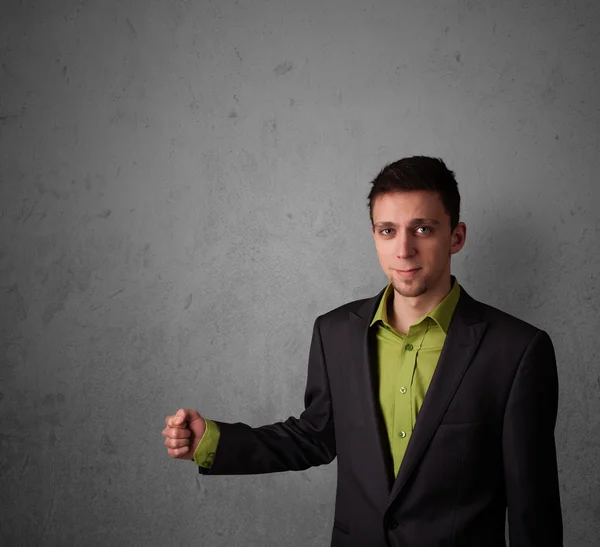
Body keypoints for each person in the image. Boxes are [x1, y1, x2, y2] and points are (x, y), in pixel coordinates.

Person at [162, 156, 563, 546]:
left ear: (456, 236)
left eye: (422, 229)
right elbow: (315, 436)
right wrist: (212, 441)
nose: (403, 250)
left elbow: (534, 510)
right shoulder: (334, 333)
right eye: (388, 230)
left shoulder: (517, 351)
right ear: (374, 234)